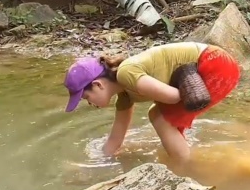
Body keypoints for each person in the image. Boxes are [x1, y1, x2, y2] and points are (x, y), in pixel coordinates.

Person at [62, 42, 240, 162]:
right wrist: (99, 161)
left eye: (86, 98)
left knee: (159, 117)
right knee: (160, 114)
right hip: (212, 63)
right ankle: (183, 156)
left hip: (214, 64)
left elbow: (174, 96)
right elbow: (115, 139)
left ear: (97, 85)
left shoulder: (126, 74)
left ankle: (186, 168)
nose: (89, 103)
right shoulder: (125, 96)